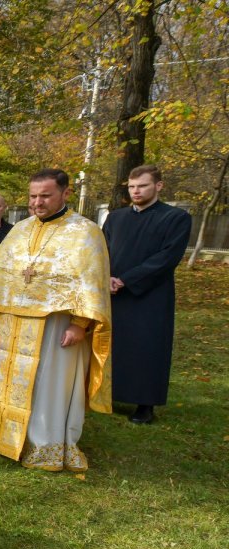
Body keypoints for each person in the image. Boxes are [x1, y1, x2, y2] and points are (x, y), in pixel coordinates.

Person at [0, 168, 111, 471]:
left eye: (45, 196)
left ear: (65, 194)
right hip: (10, 323)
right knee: (4, 379)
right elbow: (0, 276)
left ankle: (41, 445)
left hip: (54, 326)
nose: (37, 202)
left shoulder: (85, 232)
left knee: (47, 385)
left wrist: (80, 325)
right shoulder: (20, 229)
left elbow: (92, 282)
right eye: (33, 196)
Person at [103, 165, 192, 424]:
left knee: (148, 347)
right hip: (113, 291)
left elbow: (166, 258)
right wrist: (105, 276)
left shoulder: (175, 218)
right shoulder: (116, 217)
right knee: (114, 345)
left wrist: (127, 280)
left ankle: (145, 404)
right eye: (131, 187)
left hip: (151, 293)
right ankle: (109, 393)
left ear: (158, 186)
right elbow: (102, 249)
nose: (136, 191)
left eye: (142, 185)